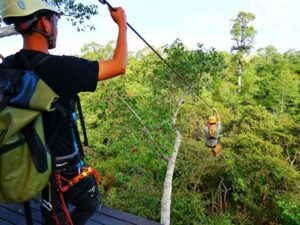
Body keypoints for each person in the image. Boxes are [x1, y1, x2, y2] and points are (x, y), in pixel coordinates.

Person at [0, 0, 127, 224]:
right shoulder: (61, 68)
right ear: (44, 23)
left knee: (52, 209)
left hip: (26, 161)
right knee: (90, 201)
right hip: (62, 169)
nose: (56, 27)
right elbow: (119, 65)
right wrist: (122, 24)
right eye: (55, 20)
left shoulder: (7, 66)